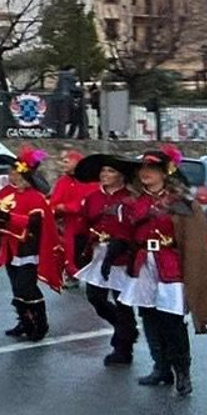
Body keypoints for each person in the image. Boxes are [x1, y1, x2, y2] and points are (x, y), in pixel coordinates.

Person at [119, 146, 207, 395]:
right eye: (143, 168)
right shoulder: (135, 201)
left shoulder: (182, 204)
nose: (145, 173)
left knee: (172, 321)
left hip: (171, 265)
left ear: (165, 172)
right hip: (143, 264)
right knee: (148, 316)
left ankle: (182, 372)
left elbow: (197, 240)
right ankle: (161, 368)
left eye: (152, 168)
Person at [69, 153, 145, 370]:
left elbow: (133, 228)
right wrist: (79, 252)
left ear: (121, 176)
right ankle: (126, 329)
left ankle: (123, 347)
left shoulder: (129, 199)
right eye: (103, 171)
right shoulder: (93, 198)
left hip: (121, 257)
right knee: (95, 298)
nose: (105, 175)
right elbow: (83, 224)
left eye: (110, 171)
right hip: (98, 254)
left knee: (123, 304)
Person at [0, 147, 60, 341]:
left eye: (16, 173)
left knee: (27, 287)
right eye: (11, 172)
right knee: (16, 286)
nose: (12, 176)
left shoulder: (36, 198)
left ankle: (40, 324)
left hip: (28, 248)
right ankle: (24, 321)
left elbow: (34, 222)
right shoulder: (5, 192)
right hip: (9, 247)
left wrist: (8, 218)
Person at [48, 148, 96, 283]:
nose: (64, 164)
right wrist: (58, 208)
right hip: (70, 223)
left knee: (89, 251)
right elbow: (54, 202)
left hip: (88, 223)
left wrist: (68, 207)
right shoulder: (63, 181)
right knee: (69, 250)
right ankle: (72, 274)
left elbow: (88, 201)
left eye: (67, 161)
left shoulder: (89, 180)